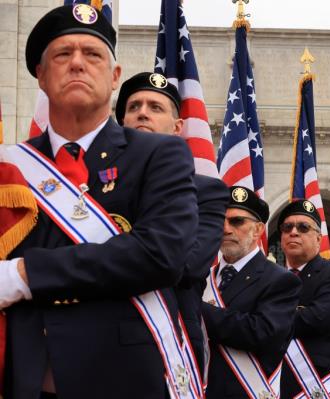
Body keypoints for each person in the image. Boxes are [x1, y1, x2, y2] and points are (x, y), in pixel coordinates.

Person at [2, 4, 201, 398]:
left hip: (122, 377)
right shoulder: (10, 167)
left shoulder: (160, 155)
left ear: (114, 77)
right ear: (40, 76)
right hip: (25, 378)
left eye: (92, 54)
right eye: (62, 54)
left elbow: (161, 253)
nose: (77, 63)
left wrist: (23, 275)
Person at [116, 71, 229, 374]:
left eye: (155, 107)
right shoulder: (97, 183)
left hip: (169, 335)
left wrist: (101, 260)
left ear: (178, 127)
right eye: (134, 107)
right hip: (99, 332)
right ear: (121, 123)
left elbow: (187, 265)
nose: (142, 113)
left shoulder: (207, 192)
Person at [201, 186, 302, 399]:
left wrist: (198, 309)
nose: (226, 229)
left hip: (245, 391)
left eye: (237, 222)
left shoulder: (281, 280)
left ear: (258, 230)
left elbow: (260, 333)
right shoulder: (200, 277)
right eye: (222, 220)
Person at [278, 200, 330, 399]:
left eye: (303, 227)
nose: (294, 232)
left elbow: (320, 318)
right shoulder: (269, 276)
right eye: (287, 227)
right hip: (273, 383)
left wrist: (266, 318)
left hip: (316, 385)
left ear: (319, 239)